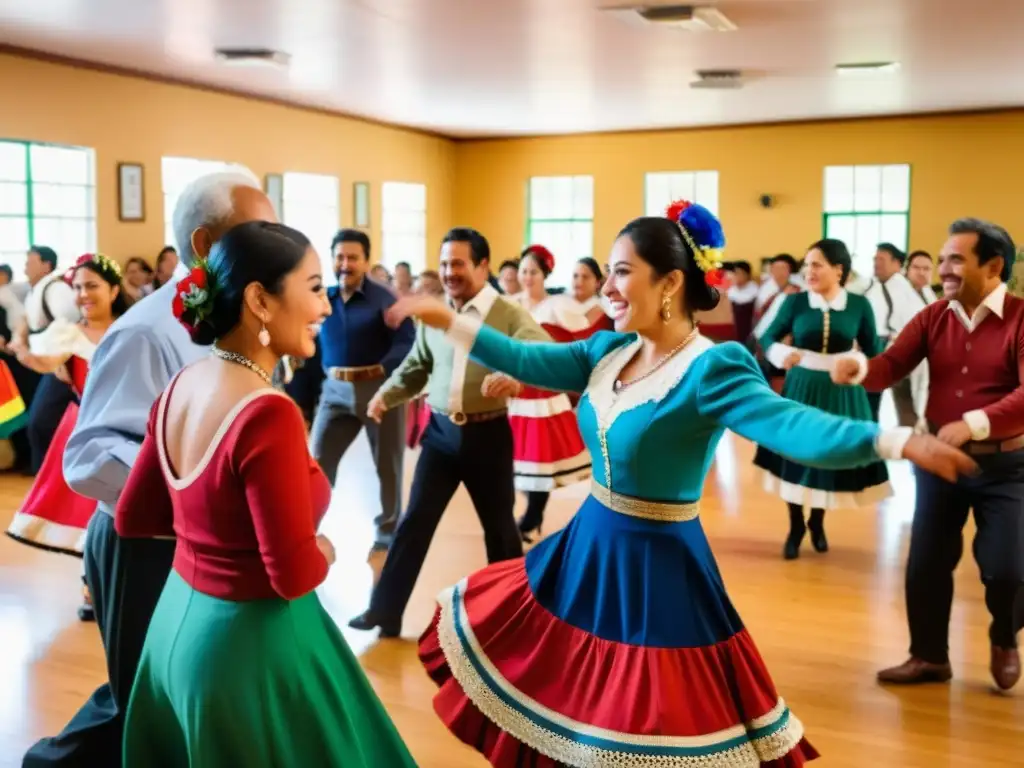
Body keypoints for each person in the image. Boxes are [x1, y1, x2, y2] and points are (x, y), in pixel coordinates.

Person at [389, 201, 976, 767]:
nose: (608, 286)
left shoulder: (711, 367)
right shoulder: (608, 349)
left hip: (658, 568)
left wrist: (893, 441)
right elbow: (527, 359)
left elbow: (789, 424)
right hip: (586, 551)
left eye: (622, 272)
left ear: (669, 283)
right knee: (576, 703)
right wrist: (450, 321)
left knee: (649, 720)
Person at [114, 221, 415, 766]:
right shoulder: (266, 411)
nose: (326, 307)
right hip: (245, 648)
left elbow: (133, 517)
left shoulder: (181, 384)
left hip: (173, 631)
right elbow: (293, 573)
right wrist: (328, 549)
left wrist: (209, 541)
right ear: (260, 300)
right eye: (315, 286)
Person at [22, 169, 275, 768]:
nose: (273, 246)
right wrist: (195, 483)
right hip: (143, 544)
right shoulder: (148, 330)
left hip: (203, 540)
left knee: (163, 692)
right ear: (206, 246)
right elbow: (87, 458)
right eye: (257, 232)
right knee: (140, 697)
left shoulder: (242, 318)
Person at [833, 217, 1023, 691]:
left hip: (1009, 466)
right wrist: (858, 368)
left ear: (994, 265)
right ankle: (929, 657)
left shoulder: (1021, 318)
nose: (943, 269)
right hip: (938, 460)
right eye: (941, 260)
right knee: (926, 564)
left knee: (1008, 570)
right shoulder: (934, 315)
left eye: (956, 259)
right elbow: (889, 367)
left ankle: (1004, 635)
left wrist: (975, 423)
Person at [347, 227, 541, 637]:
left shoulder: (507, 313)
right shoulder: (434, 316)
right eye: (444, 263)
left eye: (458, 263)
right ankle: (385, 611)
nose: (449, 272)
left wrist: (513, 375)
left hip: (488, 436)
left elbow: (537, 350)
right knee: (413, 522)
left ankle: (514, 619)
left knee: (501, 531)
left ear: (483, 265)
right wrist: (386, 395)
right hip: (439, 436)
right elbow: (417, 365)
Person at [5, 253, 131, 620]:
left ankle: (120, 582)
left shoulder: (131, 328)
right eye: (76, 287)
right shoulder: (67, 332)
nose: (82, 295)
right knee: (90, 512)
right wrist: (23, 342)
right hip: (85, 429)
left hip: (128, 429)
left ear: (112, 289)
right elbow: (44, 362)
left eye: (91, 286)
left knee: (124, 513)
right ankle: (92, 587)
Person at [754, 239, 890, 560]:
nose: (808, 271)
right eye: (807, 265)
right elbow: (767, 336)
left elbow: (875, 352)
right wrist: (783, 353)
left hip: (842, 391)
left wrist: (858, 365)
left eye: (816, 265)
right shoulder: (796, 303)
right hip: (800, 389)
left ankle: (817, 522)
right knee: (796, 455)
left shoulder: (859, 306)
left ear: (838, 270)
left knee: (827, 458)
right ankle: (795, 525)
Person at [310, 229, 414, 552]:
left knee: (388, 465)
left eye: (352, 257)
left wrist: (384, 374)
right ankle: (307, 527)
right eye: (339, 257)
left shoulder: (386, 299)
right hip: (334, 391)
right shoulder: (320, 299)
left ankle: (387, 533)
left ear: (366, 261)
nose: (345, 264)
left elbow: (407, 343)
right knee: (317, 461)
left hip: (379, 390)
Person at [507, 245, 591, 541]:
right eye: (524, 271)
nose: (528, 277)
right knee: (517, 458)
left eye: (534, 272)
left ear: (544, 275)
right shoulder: (511, 304)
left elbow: (580, 339)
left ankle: (532, 517)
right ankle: (529, 516)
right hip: (513, 391)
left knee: (541, 458)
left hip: (543, 391)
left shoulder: (557, 306)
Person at [10, 245, 80, 473]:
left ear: (46, 265)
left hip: (63, 364)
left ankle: (49, 480)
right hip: (43, 363)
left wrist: (60, 362)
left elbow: (70, 324)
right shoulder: (35, 290)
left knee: (41, 423)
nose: (25, 267)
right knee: (42, 424)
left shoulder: (56, 288)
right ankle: (47, 480)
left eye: (30, 262)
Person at [862, 243, 923, 425]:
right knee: (868, 400)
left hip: (889, 351)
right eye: (875, 259)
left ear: (897, 263)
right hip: (870, 349)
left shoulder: (903, 290)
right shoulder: (873, 286)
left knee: (883, 401)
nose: (876, 263)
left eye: (881, 259)